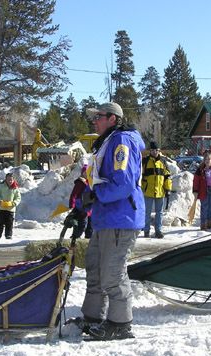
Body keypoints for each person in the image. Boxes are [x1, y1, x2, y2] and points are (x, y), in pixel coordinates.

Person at [76, 101, 145, 341]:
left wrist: (97, 195)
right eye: (93, 117)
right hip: (105, 217)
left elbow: (123, 183)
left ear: (113, 119)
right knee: (94, 269)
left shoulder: (121, 142)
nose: (94, 121)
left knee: (112, 274)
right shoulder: (105, 142)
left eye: (99, 117)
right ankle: (93, 317)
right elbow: (97, 181)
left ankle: (120, 323)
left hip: (120, 217)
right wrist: (81, 205)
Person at [141, 141, 172, 239]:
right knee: (147, 212)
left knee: (159, 212)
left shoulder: (163, 161)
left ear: (159, 151)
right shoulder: (145, 161)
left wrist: (168, 189)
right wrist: (142, 187)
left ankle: (158, 231)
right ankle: (146, 231)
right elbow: (140, 176)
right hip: (148, 191)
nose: (154, 152)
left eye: (156, 150)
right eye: (152, 150)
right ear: (150, 151)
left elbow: (167, 176)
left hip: (160, 191)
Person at [0, 172, 21, 240]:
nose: (10, 181)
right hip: (1, 207)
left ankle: (8, 235)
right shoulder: (1, 186)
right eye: (8, 179)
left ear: (13, 180)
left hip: (10, 209)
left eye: (11, 180)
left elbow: (18, 197)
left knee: (9, 223)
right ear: (5, 179)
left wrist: (14, 203)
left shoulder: (15, 188)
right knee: (0, 222)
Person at [67, 164, 92, 239]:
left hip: (89, 208)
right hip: (81, 208)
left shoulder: (90, 182)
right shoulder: (80, 182)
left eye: (88, 172)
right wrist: (72, 204)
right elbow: (73, 194)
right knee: (81, 224)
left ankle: (88, 238)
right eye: (85, 172)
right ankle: (75, 238)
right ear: (82, 173)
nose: (86, 174)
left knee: (91, 225)